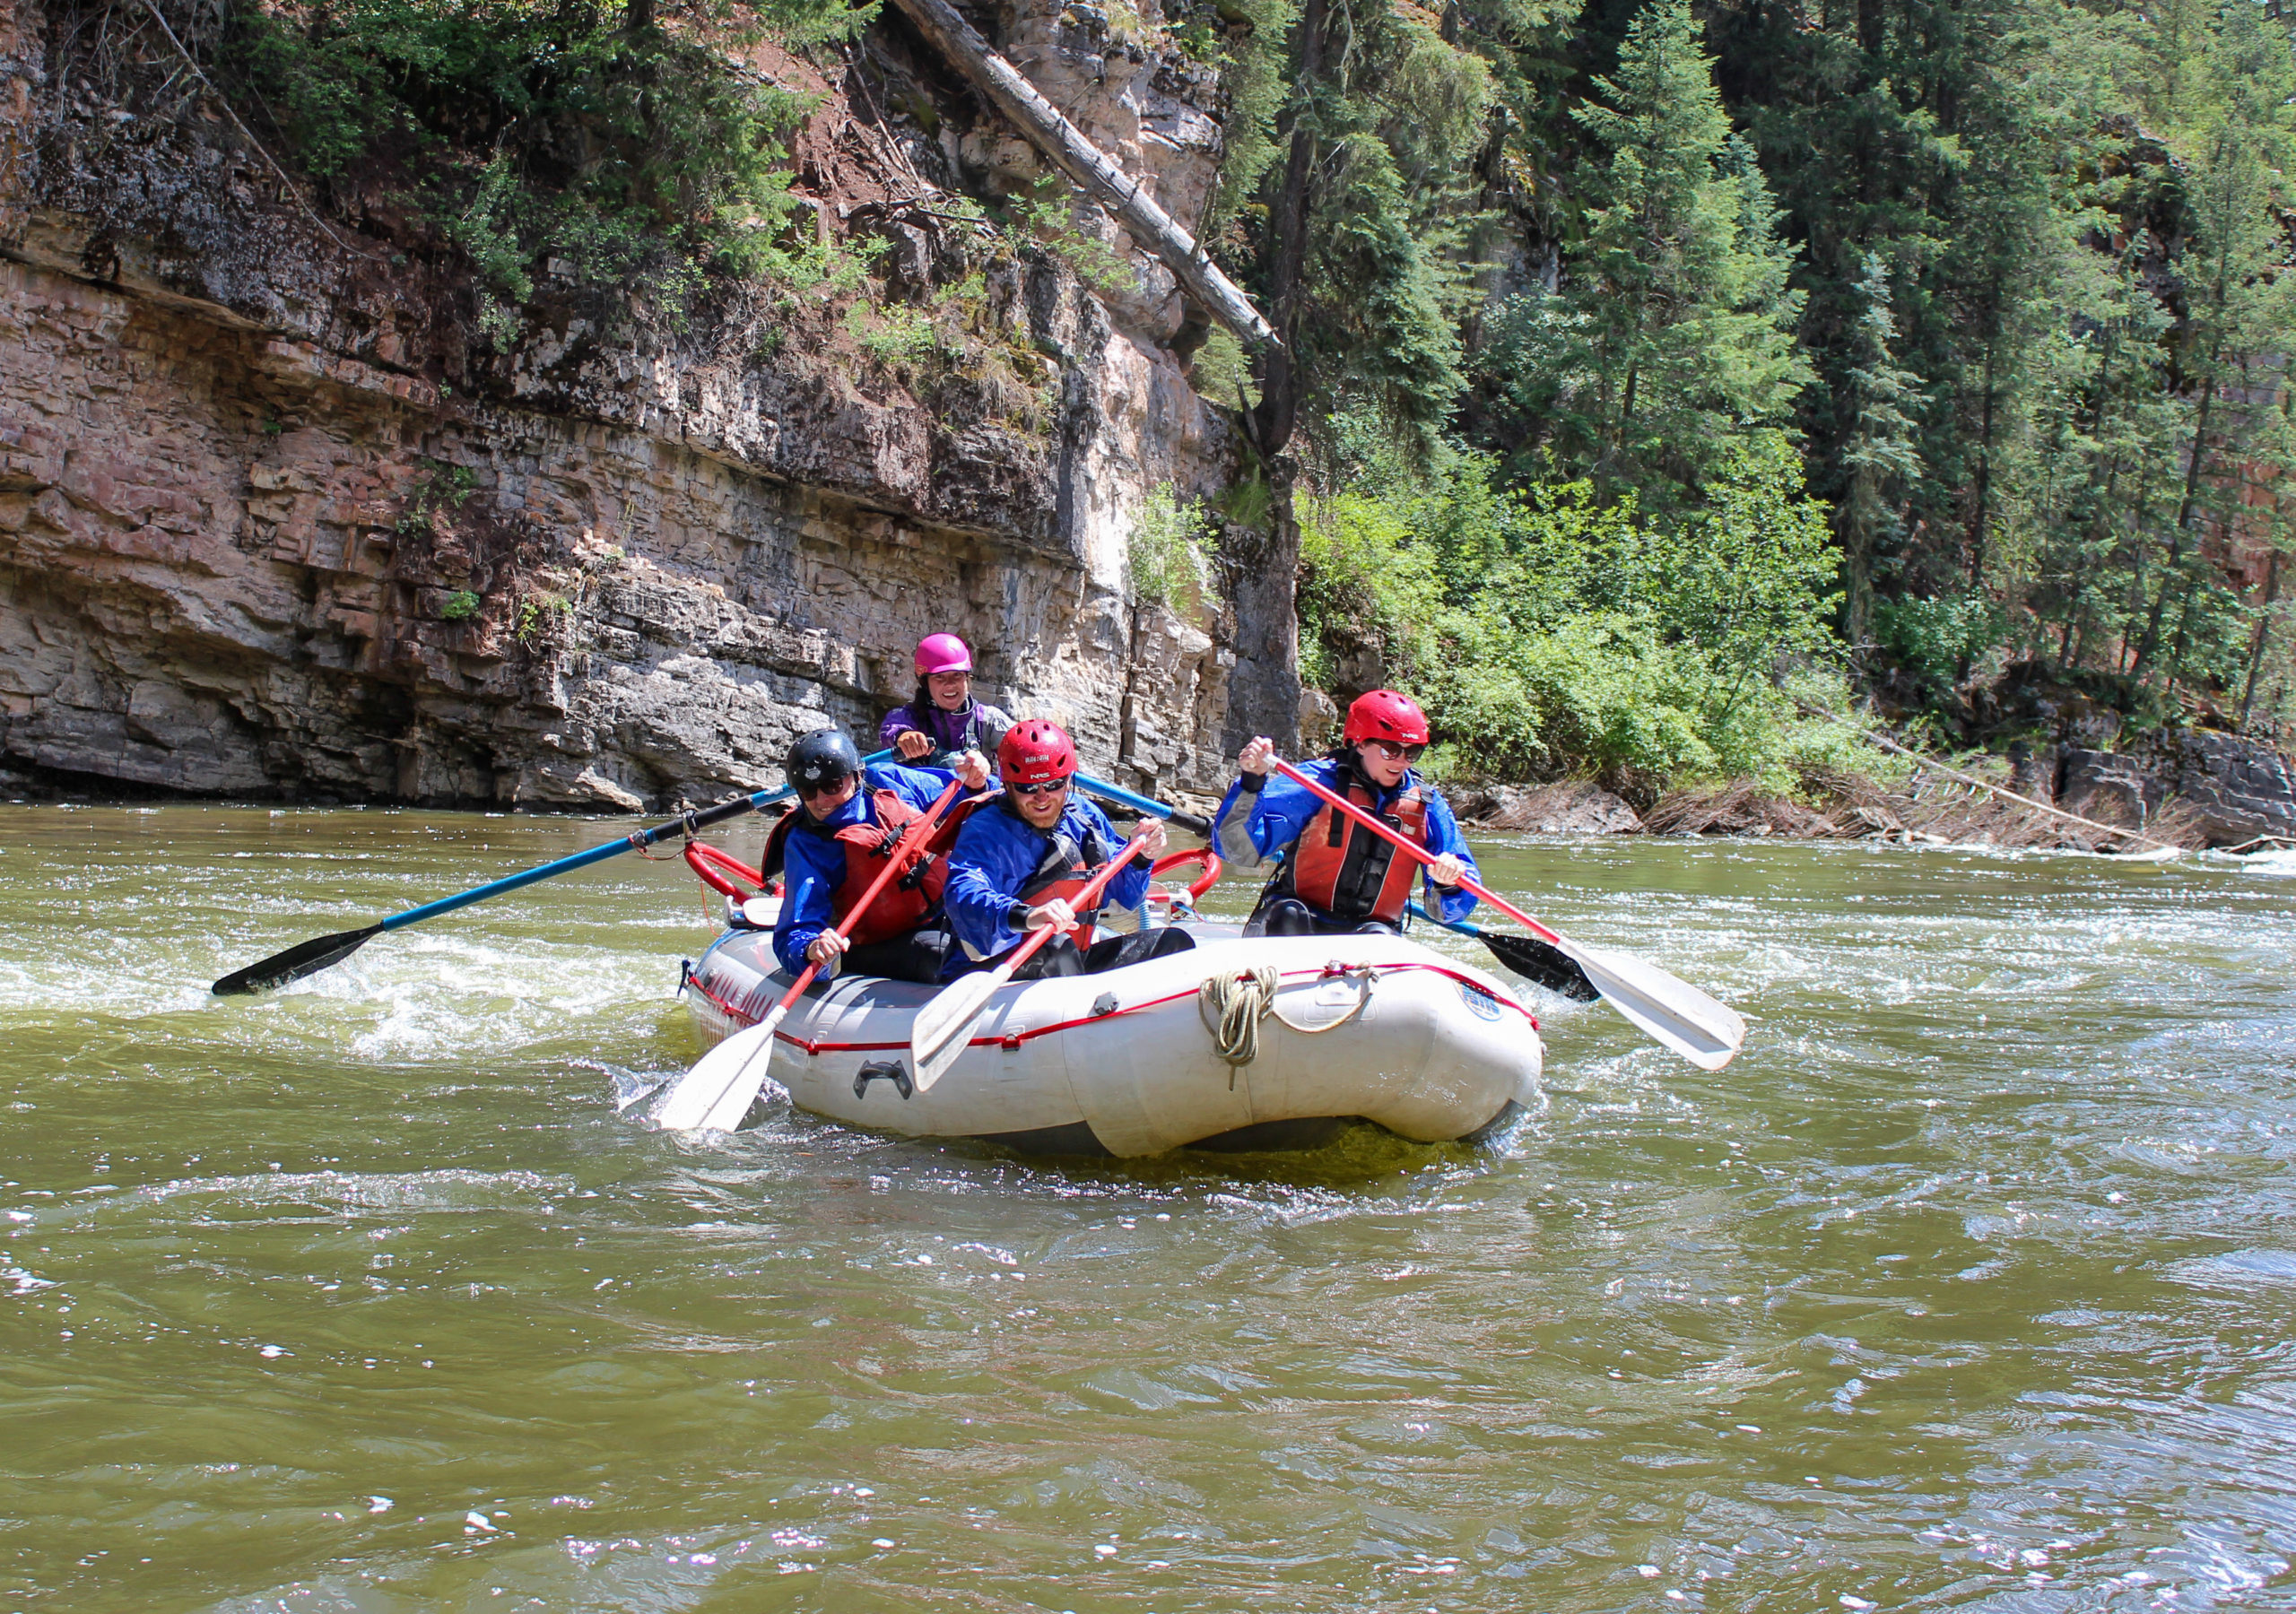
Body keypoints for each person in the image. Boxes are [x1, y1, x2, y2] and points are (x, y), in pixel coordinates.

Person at [943, 719, 1196, 979]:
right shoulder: (986, 829)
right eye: (1028, 788)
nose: (1042, 798)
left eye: (1053, 785)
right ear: (1008, 786)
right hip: (996, 967)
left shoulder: (1084, 816)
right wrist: (1027, 916)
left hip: (1073, 961)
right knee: (1056, 948)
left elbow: (1124, 898)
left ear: (1067, 780)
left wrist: (1142, 857)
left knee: (1173, 943)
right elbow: (963, 893)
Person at [1213, 690, 1478, 937]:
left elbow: (1449, 912)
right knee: (1289, 916)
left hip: (1371, 930)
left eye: (1413, 752)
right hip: (1298, 920)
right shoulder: (1315, 783)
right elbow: (1239, 851)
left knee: (1380, 937)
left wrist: (1449, 883)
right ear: (1360, 744)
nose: (1401, 761)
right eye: (1391, 750)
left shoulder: (1429, 806)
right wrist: (1252, 782)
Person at [771, 727, 993, 985]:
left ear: (856, 776)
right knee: (940, 954)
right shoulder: (806, 841)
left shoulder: (887, 780)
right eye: (809, 792)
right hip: (871, 944)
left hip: (945, 912)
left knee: (999, 926)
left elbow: (969, 791)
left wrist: (979, 780)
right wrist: (811, 948)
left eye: (832, 786)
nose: (822, 800)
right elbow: (796, 930)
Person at [880, 634, 1014, 768]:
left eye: (957, 675)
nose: (950, 684)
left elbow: (1022, 745)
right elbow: (891, 729)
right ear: (926, 683)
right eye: (939, 677)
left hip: (978, 788)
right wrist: (904, 736)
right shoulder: (910, 716)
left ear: (967, 678)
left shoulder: (988, 720)